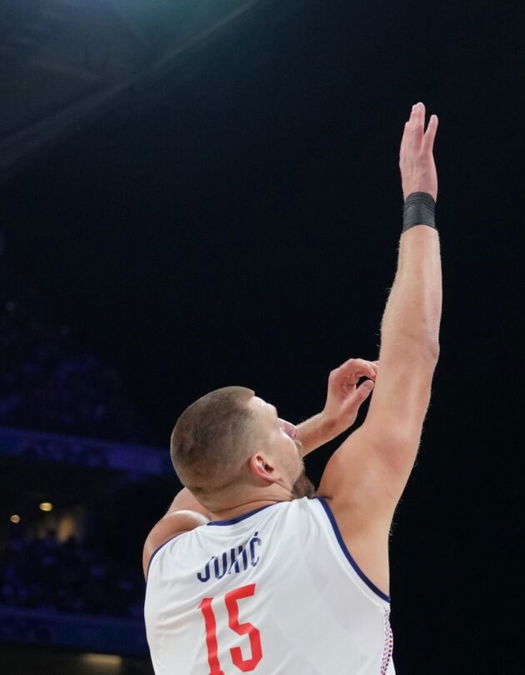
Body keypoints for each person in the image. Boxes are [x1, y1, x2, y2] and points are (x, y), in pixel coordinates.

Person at [141, 103, 442, 674]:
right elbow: (414, 353)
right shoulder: (332, 526)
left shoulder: (168, 557)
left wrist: (318, 429)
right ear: (261, 464)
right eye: (280, 423)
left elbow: (201, 487)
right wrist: (419, 203)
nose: (291, 429)